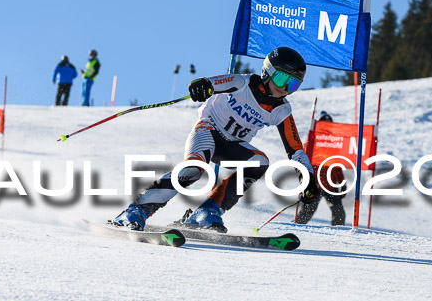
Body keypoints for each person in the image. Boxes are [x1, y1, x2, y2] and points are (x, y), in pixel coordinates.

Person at [113, 46, 320, 232]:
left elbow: (296, 150)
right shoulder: (242, 83)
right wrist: (202, 85)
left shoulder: (281, 109)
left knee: (260, 162)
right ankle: (135, 211)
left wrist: (307, 178)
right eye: (282, 79)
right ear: (268, 72)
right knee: (194, 169)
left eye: (293, 85)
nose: (284, 89)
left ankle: (206, 213)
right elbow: (213, 82)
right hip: (208, 130)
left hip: (231, 146)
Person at [296, 111, 347, 226]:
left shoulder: (333, 144)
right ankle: (296, 227)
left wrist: (342, 183)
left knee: (338, 212)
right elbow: (303, 161)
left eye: (329, 125)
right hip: (315, 183)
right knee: (307, 211)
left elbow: (337, 165)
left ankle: (339, 232)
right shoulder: (311, 143)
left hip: (330, 183)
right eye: (324, 124)